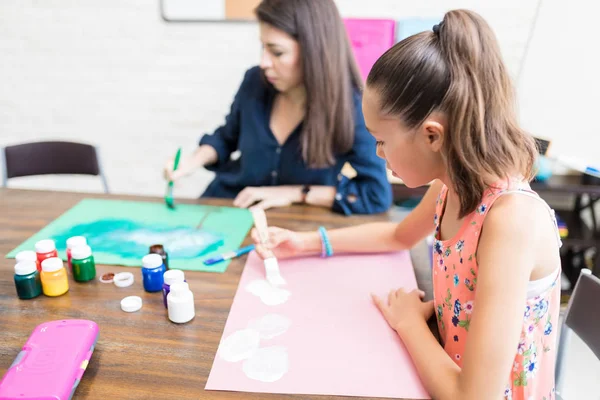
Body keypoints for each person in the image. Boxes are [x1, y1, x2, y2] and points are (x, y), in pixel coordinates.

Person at [251, 9, 562, 400]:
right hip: (443, 366)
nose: (379, 155)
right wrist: (307, 242)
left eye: (382, 141)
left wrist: (409, 321)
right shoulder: (452, 183)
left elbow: (474, 397)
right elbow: (399, 235)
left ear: (432, 135)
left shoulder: (509, 220)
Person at [164, 0, 392, 215]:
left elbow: (375, 195)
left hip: (291, 225)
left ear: (314, 52)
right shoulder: (254, 82)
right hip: (228, 206)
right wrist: (192, 162)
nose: (264, 62)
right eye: (263, 47)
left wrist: (297, 193)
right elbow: (226, 138)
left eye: (277, 52)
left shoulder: (351, 108)